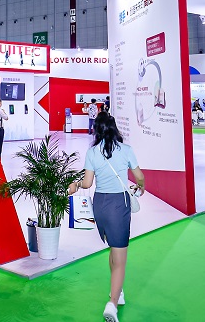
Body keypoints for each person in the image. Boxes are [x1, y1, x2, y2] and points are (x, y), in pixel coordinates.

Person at [68, 112, 144, 322]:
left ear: (97, 130)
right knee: (120, 259)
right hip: (119, 205)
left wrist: (75, 185)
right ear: (114, 128)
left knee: (113, 248)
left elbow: (87, 183)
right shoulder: (126, 150)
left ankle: (117, 292)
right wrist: (141, 187)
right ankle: (112, 305)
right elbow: (139, 177)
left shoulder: (92, 152)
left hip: (100, 205)